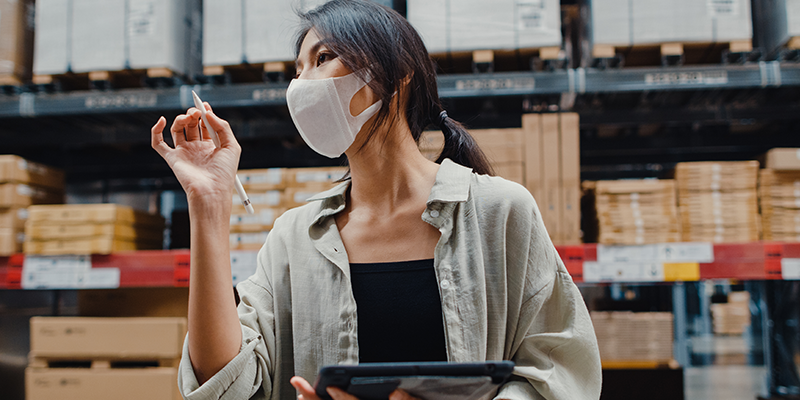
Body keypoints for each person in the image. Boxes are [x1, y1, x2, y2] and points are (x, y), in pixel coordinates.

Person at [150, 1, 602, 399]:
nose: (301, 84)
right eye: (297, 70)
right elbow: (224, 386)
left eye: (322, 58)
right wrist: (208, 205)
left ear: (396, 74)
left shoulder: (499, 213)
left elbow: (560, 373)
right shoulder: (295, 238)